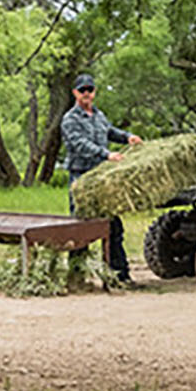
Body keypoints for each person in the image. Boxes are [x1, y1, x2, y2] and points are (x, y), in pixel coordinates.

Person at [60, 72, 144, 284]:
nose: (86, 94)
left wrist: (127, 137)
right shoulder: (70, 120)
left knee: (113, 226)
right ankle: (77, 277)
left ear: (95, 92)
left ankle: (119, 275)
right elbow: (79, 144)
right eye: (82, 90)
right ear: (75, 93)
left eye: (90, 89)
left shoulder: (99, 115)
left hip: (102, 178)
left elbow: (109, 131)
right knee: (81, 227)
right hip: (81, 178)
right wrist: (106, 154)